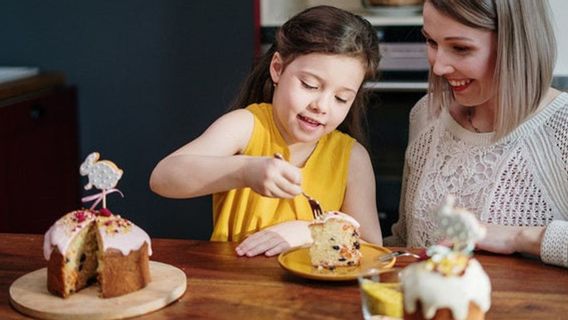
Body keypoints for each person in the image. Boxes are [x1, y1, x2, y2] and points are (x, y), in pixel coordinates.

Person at [150, 6, 383, 257]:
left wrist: (311, 231)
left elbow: (372, 246)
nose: (321, 106)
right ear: (277, 69)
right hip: (236, 283)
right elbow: (163, 178)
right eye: (310, 85)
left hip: (316, 294)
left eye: (341, 98)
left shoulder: (351, 158)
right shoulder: (246, 126)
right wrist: (245, 171)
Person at [385, 0, 568, 268]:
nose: (438, 67)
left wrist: (519, 237)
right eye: (431, 42)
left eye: (460, 48)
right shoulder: (426, 115)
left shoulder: (562, 127)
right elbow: (404, 239)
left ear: (515, 45)